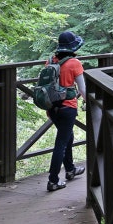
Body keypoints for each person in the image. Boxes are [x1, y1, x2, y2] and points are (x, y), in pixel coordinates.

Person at [46, 30, 86, 192]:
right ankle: (53, 180)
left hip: (53, 107)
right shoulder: (74, 63)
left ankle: (70, 170)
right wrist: (88, 101)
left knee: (68, 136)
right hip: (68, 107)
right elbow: (83, 88)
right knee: (61, 143)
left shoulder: (50, 61)